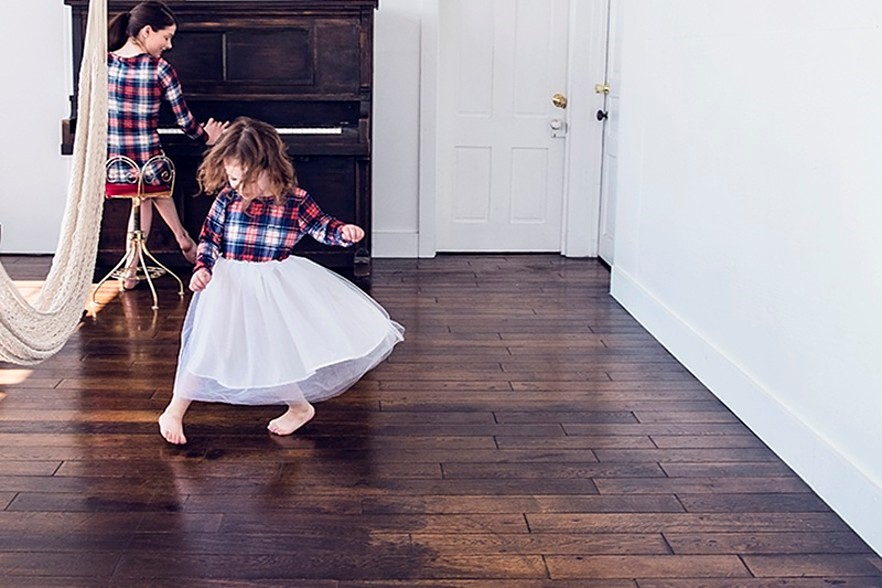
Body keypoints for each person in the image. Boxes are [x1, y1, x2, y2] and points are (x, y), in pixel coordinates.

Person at [158, 117, 404, 445]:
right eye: (233, 179)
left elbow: (323, 227)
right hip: (228, 285)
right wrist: (203, 268)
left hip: (269, 288)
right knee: (207, 344)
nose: (239, 188)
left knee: (271, 351)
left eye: (247, 179)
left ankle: (299, 407)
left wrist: (344, 233)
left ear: (269, 167)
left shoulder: (295, 201)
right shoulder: (227, 201)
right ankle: (174, 409)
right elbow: (209, 239)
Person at [107, 1, 227, 289]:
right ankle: (181, 241)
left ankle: (133, 268)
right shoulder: (160, 69)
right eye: (167, 37)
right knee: (150, 184)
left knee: (144, 193)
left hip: (113, 168)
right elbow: (185, 122)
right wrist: (207, 138)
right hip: (150, 168)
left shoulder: (105, 63)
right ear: (147, 32)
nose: (169, 45)